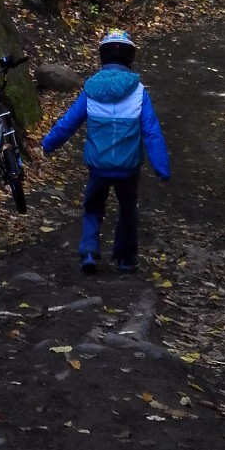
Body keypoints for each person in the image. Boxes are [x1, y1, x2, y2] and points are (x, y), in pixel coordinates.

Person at [41, 29, 169, 274]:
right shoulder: (140, 92)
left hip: (98, 167)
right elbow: (152, 132)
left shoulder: (90, 90)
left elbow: (68, 123)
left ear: (103, 57)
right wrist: (161, 168)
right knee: (128, 211)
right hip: (128, 168)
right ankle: (126, 258)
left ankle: (88, 251)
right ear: (130, 59)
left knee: (92, 207)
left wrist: (49, 144)